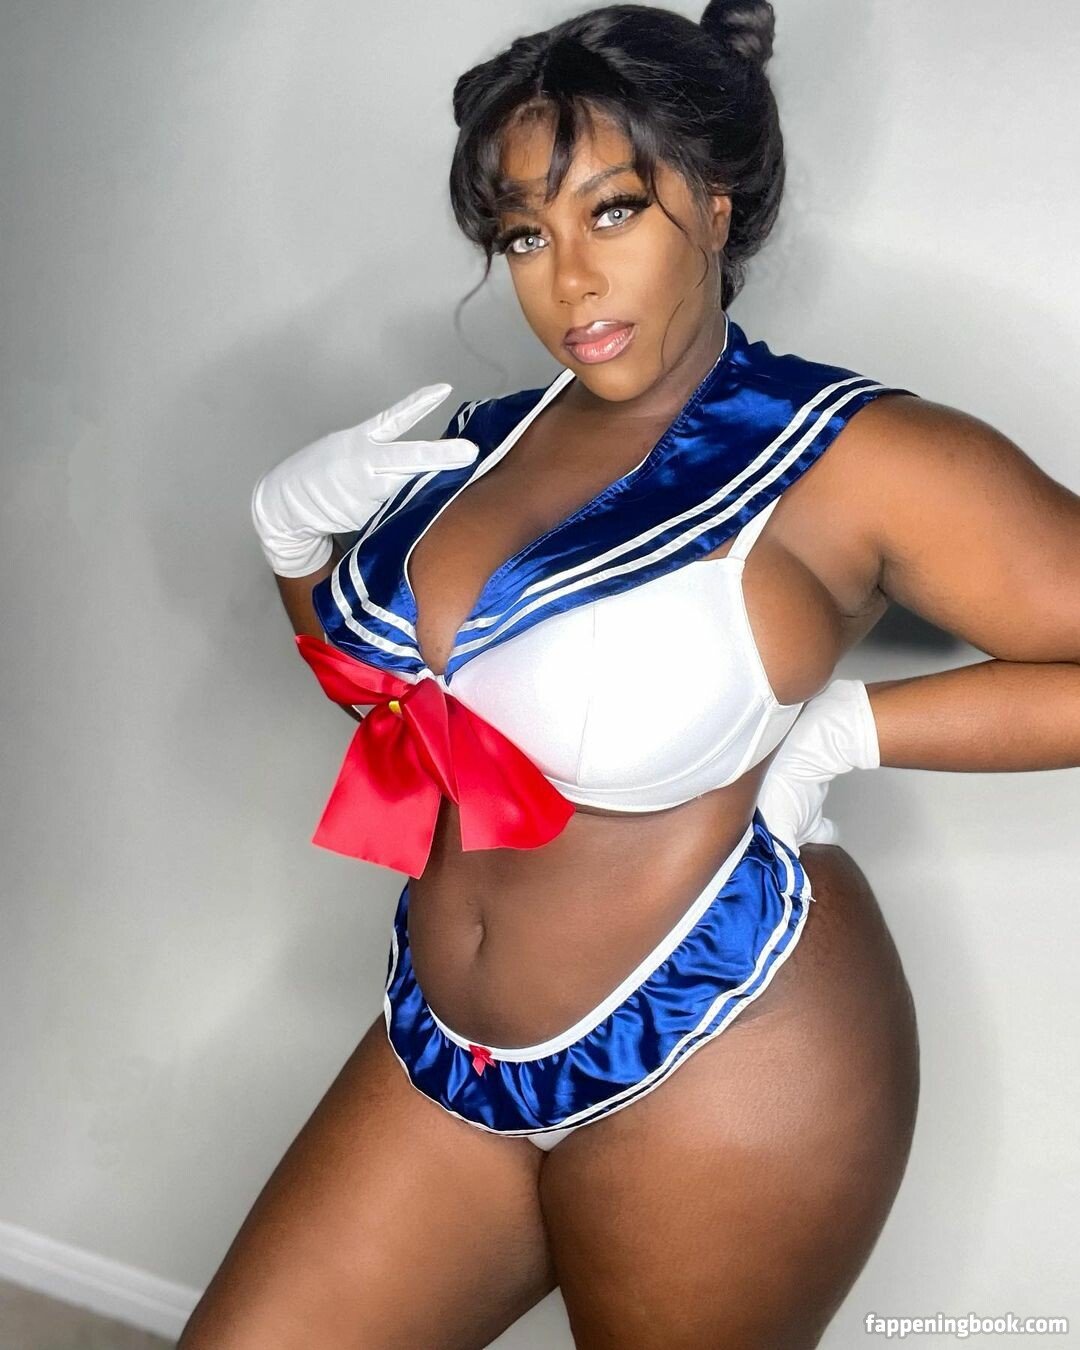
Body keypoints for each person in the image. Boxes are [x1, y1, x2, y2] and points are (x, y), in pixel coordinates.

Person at [180, 3, 1080, 1347]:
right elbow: (407, 718)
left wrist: (848, 731)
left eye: (613, 211)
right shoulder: (477, 443)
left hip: (727, 1044)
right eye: (524, 235)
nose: (568, 280)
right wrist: (292, 545)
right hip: (446, 1039)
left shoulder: (852, 456)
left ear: (715, 207)